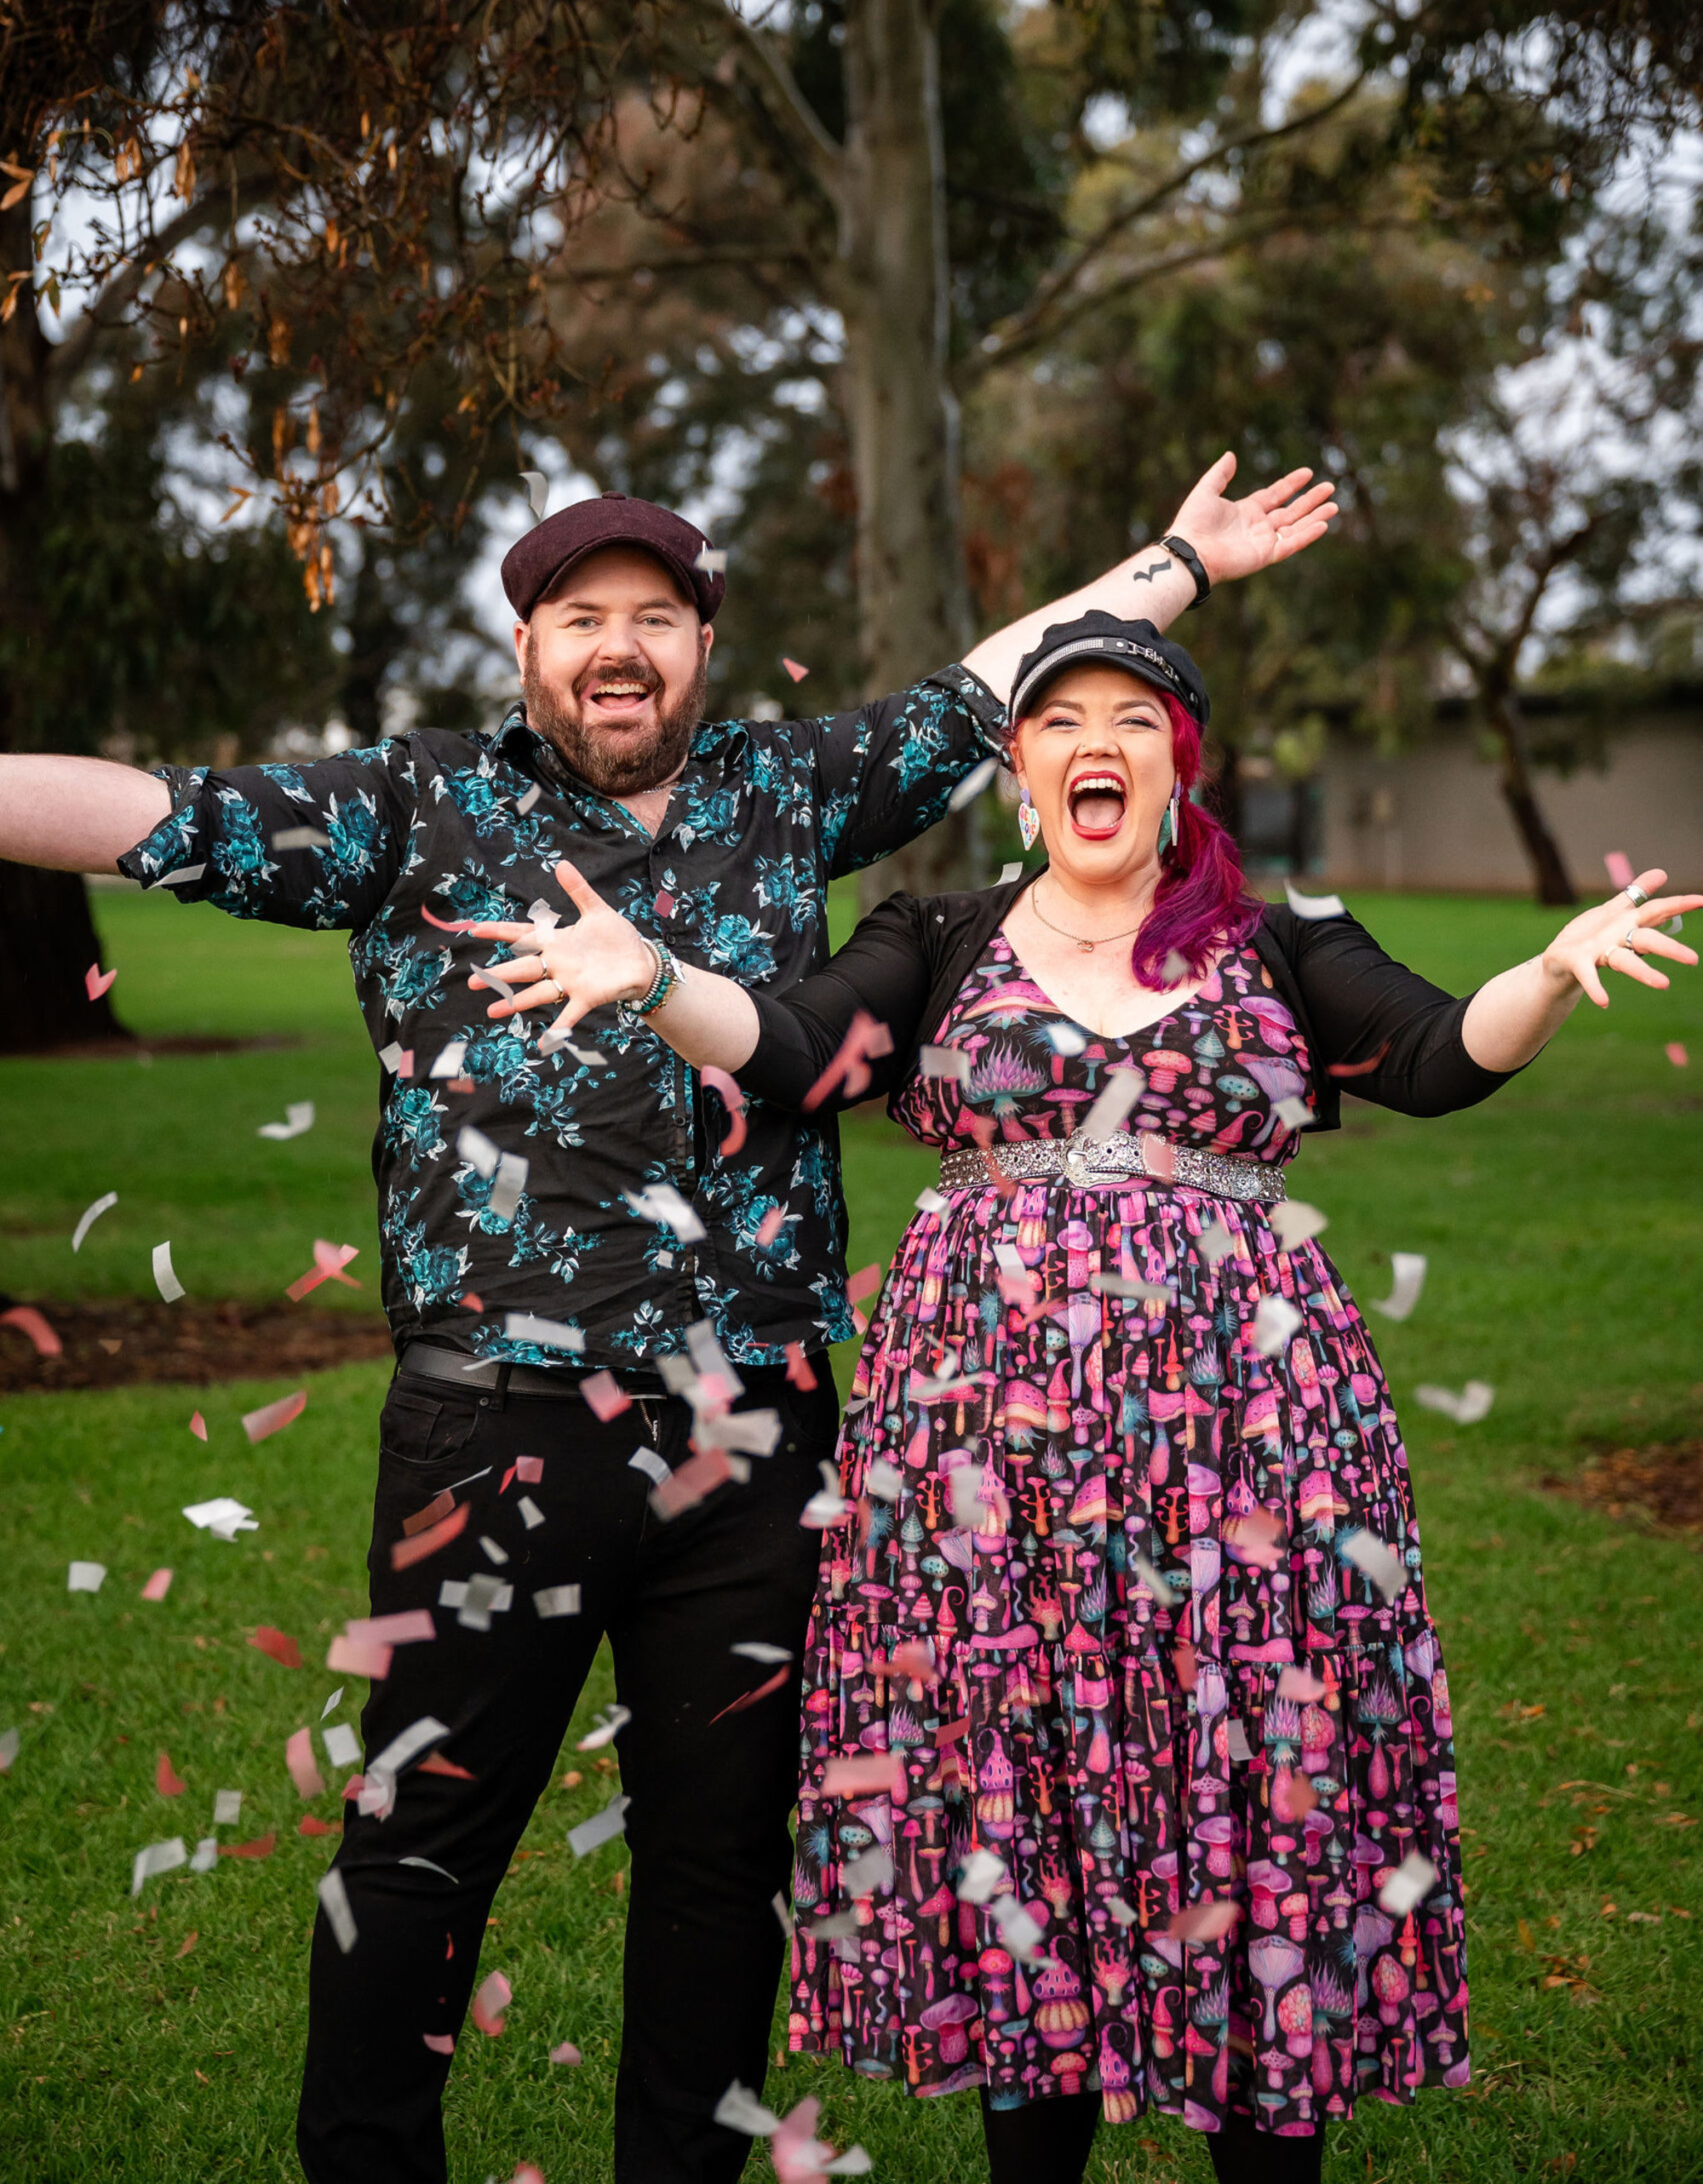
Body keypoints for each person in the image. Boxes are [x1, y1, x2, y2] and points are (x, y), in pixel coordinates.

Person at [0, 463, 1338, 2184]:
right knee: (418, 1850)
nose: (617, 649)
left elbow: (985, 696)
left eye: (653, 617)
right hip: (498, 1430)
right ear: (528, 643)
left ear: (703, 643)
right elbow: (149, 811)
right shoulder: (413, 805)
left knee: (721, 1866)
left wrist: (1176, 567)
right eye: (582, 619)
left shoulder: (785, 789)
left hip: (754, 1441)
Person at [496, 614, 1700, 2184]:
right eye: (1062, 719)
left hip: (1251, 1458)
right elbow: (792, 1047)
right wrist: (659, 978)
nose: (1096, 743)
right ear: (1022, 770)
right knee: (1021, 1807)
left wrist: (1540, 974)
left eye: (1135, 718)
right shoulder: (937, 937)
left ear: (1176, 766)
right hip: (986, 1462)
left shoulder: (1276, 936)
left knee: (1262, 1794)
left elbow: (1432, 1052)